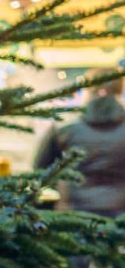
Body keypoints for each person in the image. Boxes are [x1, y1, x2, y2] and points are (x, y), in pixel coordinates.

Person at [35, 76, 125, 219]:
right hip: (121, 214)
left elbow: (41, 168)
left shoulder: (64, 127)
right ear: (120, 90)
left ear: (88, 91)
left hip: (75, 213)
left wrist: (62, 188)